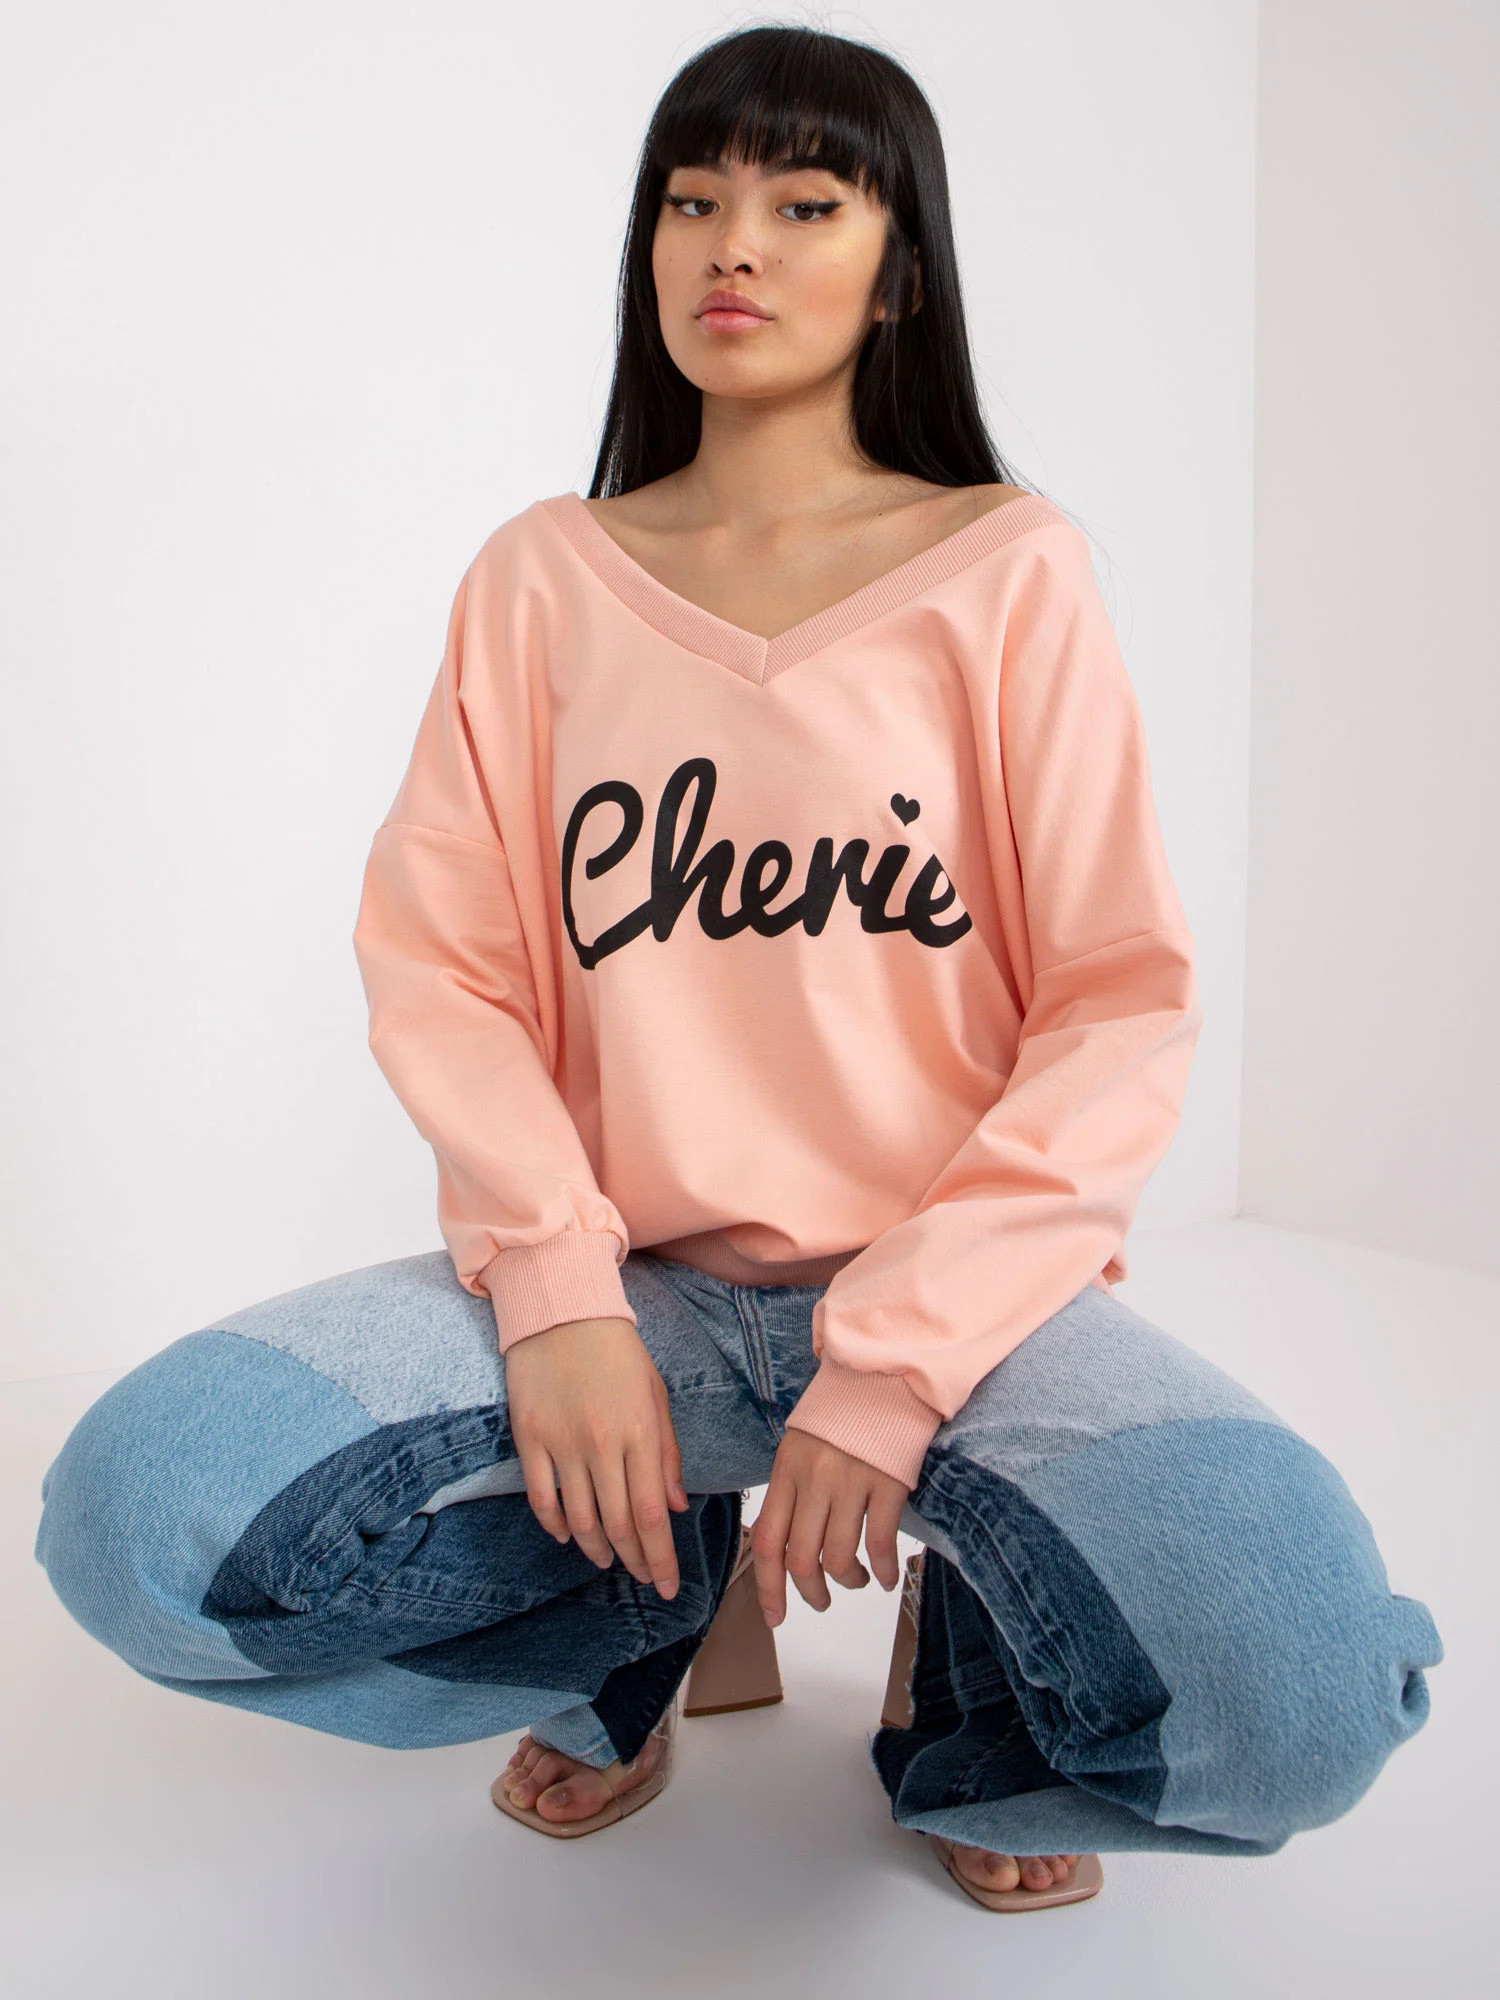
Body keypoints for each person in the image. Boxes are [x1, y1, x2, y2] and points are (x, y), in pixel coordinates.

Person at [34, 24, 1441, 1914]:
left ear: (901, 269)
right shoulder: (542, 578)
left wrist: (900, 1361)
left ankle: (971, 1692)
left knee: (1308, 1701)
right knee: (134, 1523)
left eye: (805, 202)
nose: (735, 245)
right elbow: (446, 968)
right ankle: (653, 1606)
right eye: (692, 201)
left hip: (970, 1307)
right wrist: (557, 1295)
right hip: (633, 1296)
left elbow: (1117, 1002)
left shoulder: (1009, 571)